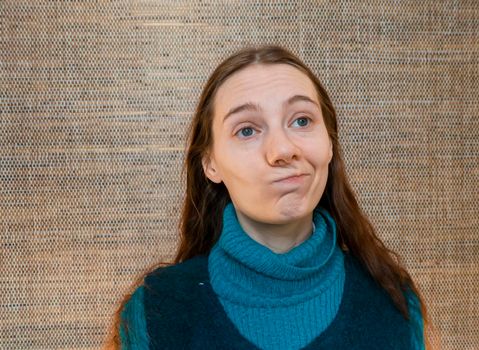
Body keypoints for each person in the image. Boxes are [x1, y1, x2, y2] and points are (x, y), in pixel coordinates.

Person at [106, 45, 436, 350]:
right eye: (247, 130)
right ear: (210, 164)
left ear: (330, 143)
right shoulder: (155, 313)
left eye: (302, 120)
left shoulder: (396, 305)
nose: (283, 150)